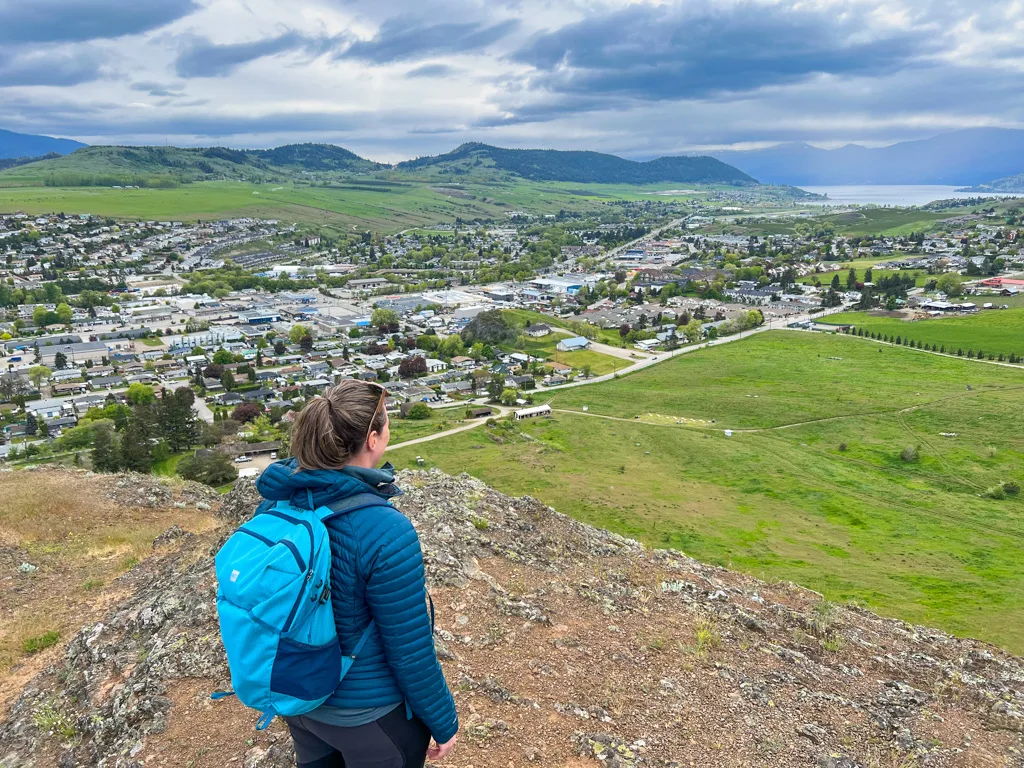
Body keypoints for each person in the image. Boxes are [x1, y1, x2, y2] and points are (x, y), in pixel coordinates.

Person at [255, 380, 458, 768]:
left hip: (298, 699)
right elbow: (409, 650)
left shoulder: (275, 502)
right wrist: (443, 722)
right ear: (372, 438)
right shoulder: (384, 529)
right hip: (368, 716)